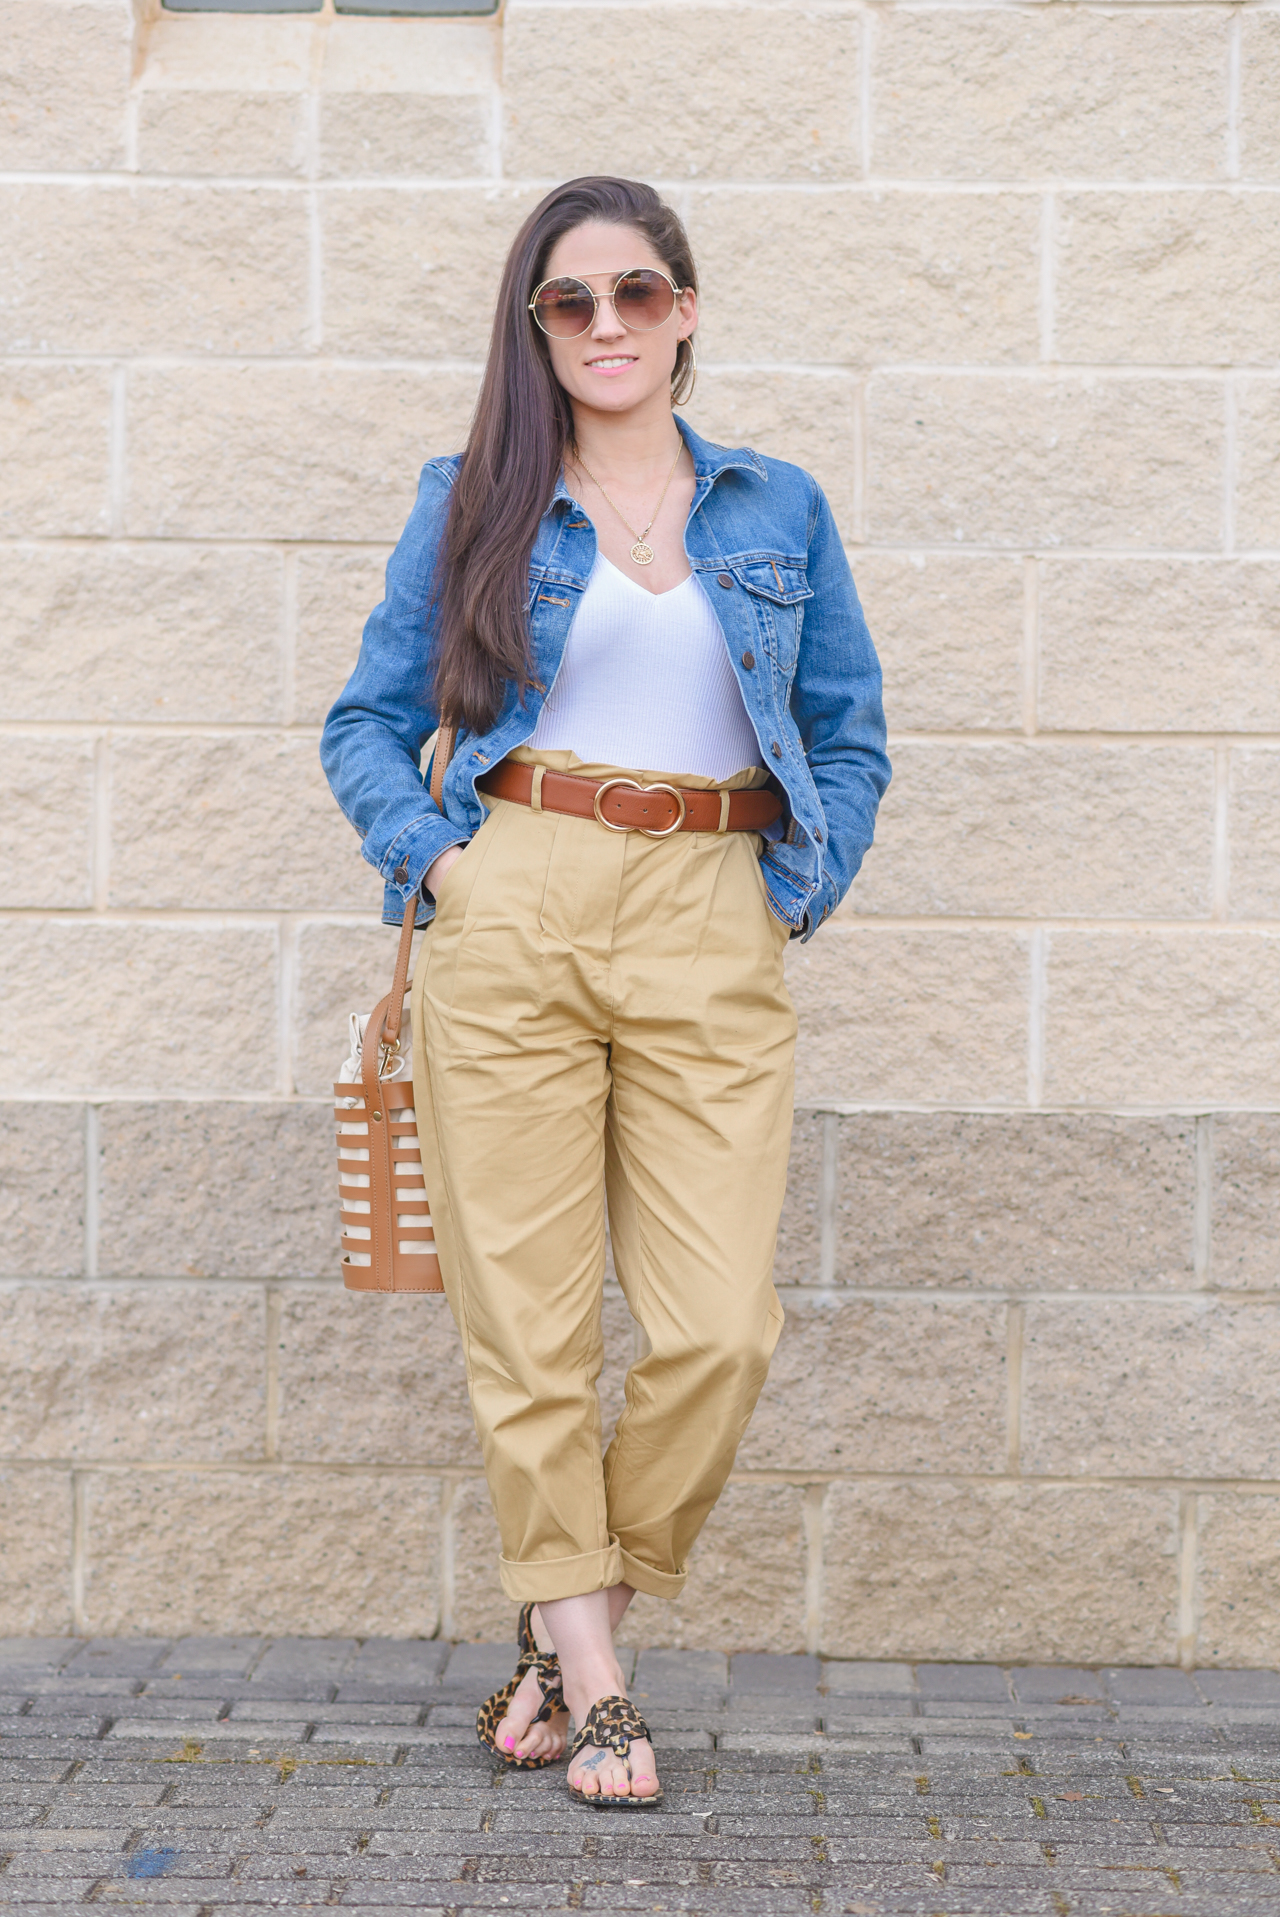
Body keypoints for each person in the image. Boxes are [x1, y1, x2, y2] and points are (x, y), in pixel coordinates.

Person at [320, 175, 889, 1808]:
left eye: (638, 293)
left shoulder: (775, 506)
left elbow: (848, 727)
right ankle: (603, 1682)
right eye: (573, 303)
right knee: (533, 1327)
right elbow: (364, 719)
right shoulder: (473, 501)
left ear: (687, 309)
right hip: (517, 897)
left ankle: (572, 1610)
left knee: (719, 1328)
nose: (609, 325)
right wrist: (442, 864)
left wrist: (802, 873)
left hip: (712, 901)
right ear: (538, 330)